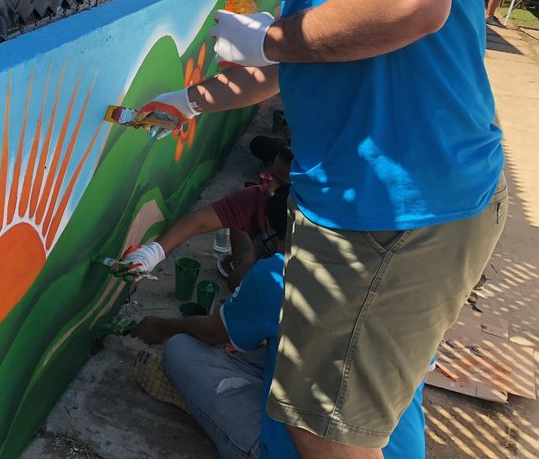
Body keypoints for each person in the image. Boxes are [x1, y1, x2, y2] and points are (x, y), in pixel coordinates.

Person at [135, 0, 505, 458]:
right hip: (378, 204)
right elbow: (288, 69)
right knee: (340, 419)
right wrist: (187, 100)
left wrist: (270, 36)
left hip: (396, 209)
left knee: (325, 434)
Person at [129, 186, 425, 459]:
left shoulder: (282, 273)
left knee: (182, 349)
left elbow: (213, 332)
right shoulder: (406, 282)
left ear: (283, 234)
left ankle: (204, 407)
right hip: (394, 446)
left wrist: (162, 326)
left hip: (290, 450)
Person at [114, 147, 294, 290]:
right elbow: (196, 222)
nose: (270, 187)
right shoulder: (257, 198)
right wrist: (151, 253)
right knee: (238, 281)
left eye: (282, 184)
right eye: (273, 177)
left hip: (300, 288)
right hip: (272, 272)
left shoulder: (315, 232)